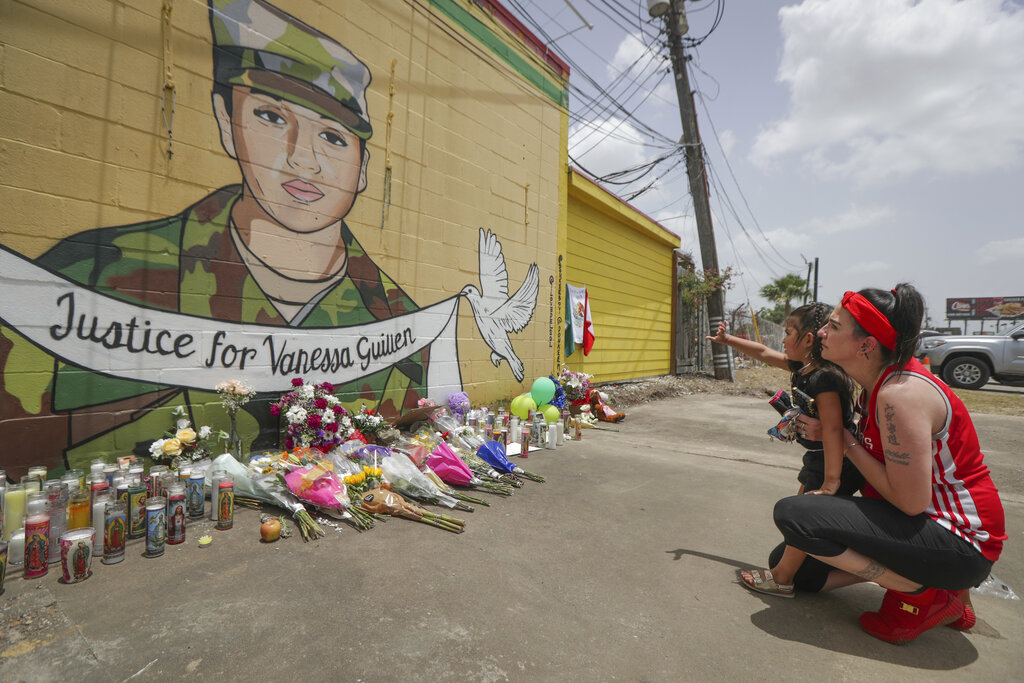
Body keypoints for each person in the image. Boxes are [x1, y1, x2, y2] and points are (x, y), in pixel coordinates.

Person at [0, 0, 426, 476]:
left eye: (333, 137)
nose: (303, 159)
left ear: (363, 167)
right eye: (271, 117)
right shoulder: (86, 279)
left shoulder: (402, 327)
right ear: (226, 121)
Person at [780, 284, 1006, 644]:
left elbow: (910, 502)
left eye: (834, 326)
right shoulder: (877, 386)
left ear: (867, 345)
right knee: (802, 569)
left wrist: (843, 439)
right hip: (930, 530)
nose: (821, 332)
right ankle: (948, 591)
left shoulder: (899, 395)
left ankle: (921, 591)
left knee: (796, 516)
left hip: (959, 542)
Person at [708, 303, 862, 598]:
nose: (783, 339)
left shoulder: (825, 378)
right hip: (818, 460)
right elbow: (764, 353)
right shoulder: (802, 368)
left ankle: (782, 578)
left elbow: (833, 430)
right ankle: (789, 571)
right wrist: (728, 340)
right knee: (800, 519)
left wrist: (831, 481)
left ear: (808, 339)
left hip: (835, 465)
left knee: (803, 523)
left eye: (789, 332)